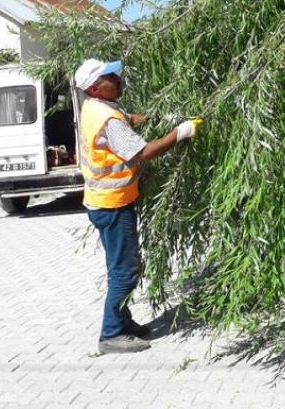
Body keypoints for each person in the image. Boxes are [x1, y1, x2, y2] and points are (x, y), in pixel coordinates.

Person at [73, 59, 202, 354]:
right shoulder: (107, 120)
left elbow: (130, 119)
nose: (118, 79)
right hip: (113, 205)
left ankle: (123, 320)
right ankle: (110, 334)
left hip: (104, 203)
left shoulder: (96, 108)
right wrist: (180, 133)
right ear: (95, 86)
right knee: (125, 271)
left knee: (119, 268)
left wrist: (160, 117)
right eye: (110, 76)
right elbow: (144, 152)